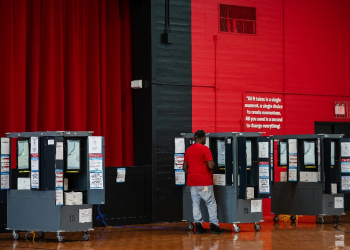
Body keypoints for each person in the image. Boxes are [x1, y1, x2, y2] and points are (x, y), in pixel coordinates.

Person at [183, 130, 224, 234]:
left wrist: (192, 175)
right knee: (210, 202)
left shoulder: (188, 150)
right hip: (204, 182)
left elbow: (184, 167)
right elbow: (210, 165)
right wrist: (214, 164)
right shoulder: (205, 149)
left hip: (193, 182)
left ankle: (198, 226)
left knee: (195, 203)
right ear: (201, 138)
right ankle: (214, 225)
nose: (205, 139)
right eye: (205, 138)